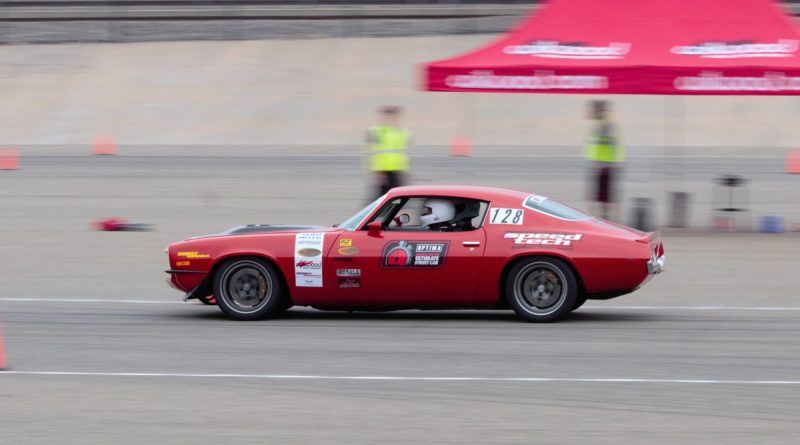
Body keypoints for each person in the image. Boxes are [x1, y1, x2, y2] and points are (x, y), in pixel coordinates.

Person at [585, 100, 625, 220]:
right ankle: (603, 218)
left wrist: (609, 164)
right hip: (600, 164)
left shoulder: (605, 126)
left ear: (600, 111)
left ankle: (606, 220)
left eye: (594, 110)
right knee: (601, 195)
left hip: (605, 166)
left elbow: (614, 145)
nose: (592, 113)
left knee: (606, 195)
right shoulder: (599, 125)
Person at [366, 106, 411, 200]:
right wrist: (377, 172)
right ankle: (369, 214)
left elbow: (404, 153)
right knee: (381, 200)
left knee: (398, 199)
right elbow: (372, 153)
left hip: (398, 172)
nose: (391, 120)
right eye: (387, 117)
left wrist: (404, 172)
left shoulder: (403, 132)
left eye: (394, 117)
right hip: (383, 172)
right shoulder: (376, 132)